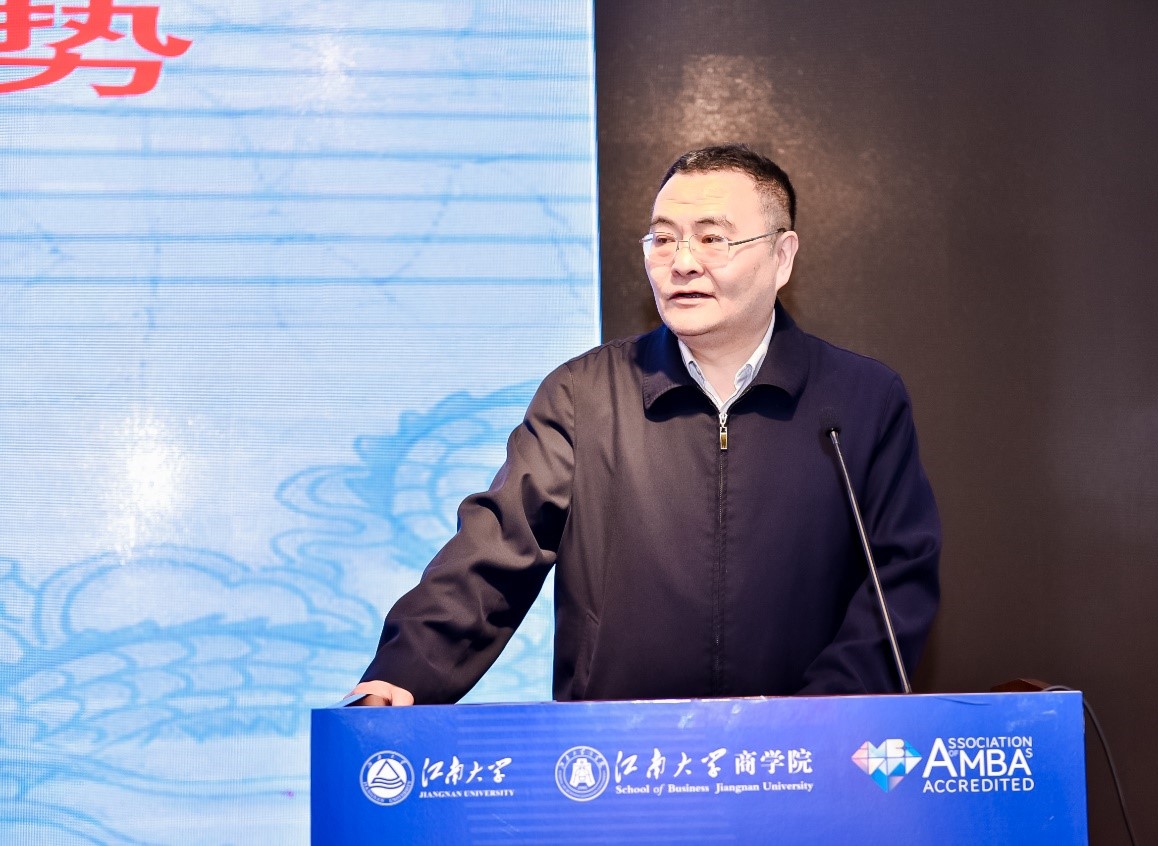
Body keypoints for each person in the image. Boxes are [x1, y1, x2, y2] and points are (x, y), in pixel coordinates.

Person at [351, 144, 940, 706]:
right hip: (618, 756)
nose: (682, 262)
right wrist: (402, 674)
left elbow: (898, 579)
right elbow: (496, 550)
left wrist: (820, 717)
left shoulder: (861, 401)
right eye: (663, 239)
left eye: (712, 239)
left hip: (801, 754)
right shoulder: (583, 396)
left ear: (782, 257)